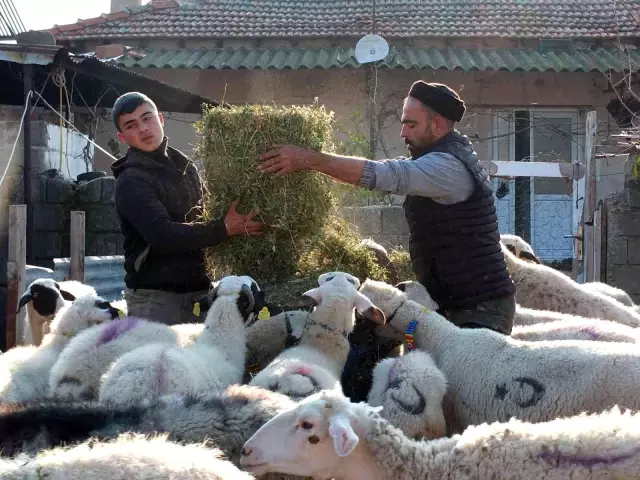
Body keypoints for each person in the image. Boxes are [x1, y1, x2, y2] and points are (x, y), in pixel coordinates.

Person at [257, 81, 516, 335]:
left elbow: (383, 174)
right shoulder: (441, 157)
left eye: (411, 124)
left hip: (481, 312)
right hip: (455, 304)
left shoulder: (447, 167)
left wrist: (309, 159)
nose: (403, 133)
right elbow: (379, 171)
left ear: (437, 125)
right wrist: (315, 165)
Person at [111, 92, 264, 325]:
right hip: (156, 301)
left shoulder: (184, 165)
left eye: (147, 118)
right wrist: (223, 228)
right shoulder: (131, 180)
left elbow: (207, 212)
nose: (143, 128)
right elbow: (163, 235)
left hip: (199, 295)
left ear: (161, 119)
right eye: (132, 125)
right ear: (122, 137)